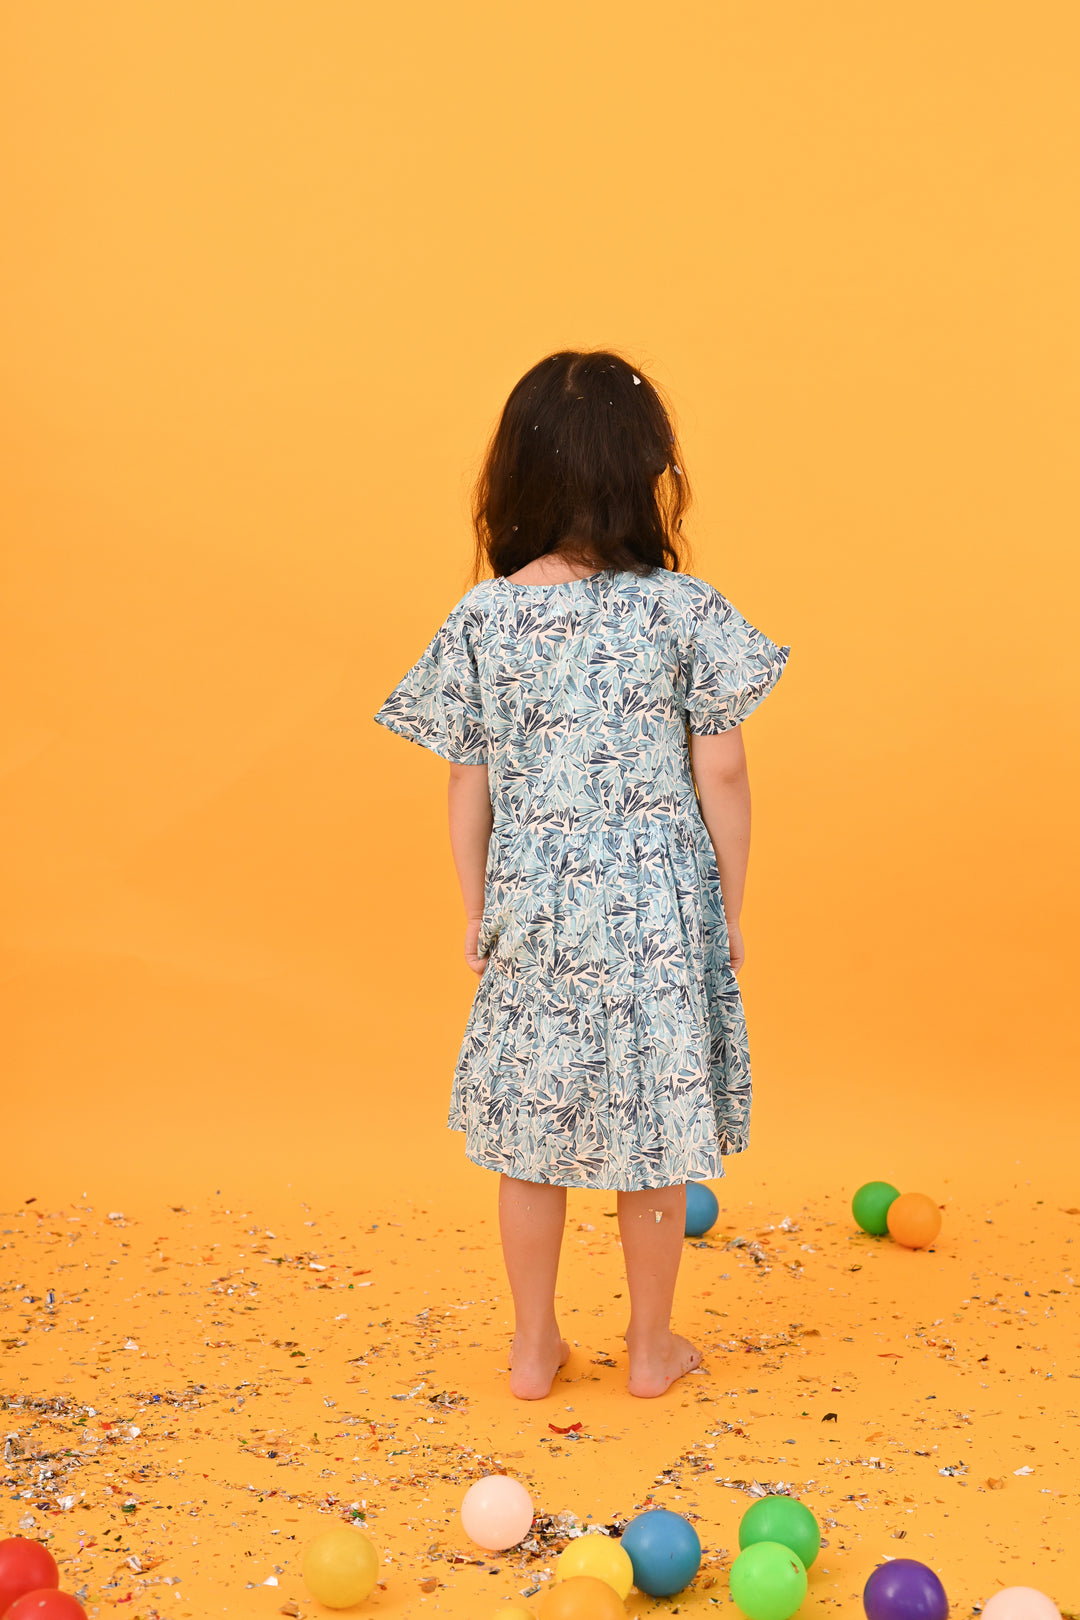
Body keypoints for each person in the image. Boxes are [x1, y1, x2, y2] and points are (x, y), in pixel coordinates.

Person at [374, 349, 791, 1401]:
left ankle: (530, 1348)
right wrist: (728, 903)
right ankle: (650, 1352)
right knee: (654, 1135)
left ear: (515, 474)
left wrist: (477, 908)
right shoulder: (684, 610)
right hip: (656, 905)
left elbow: (467, 784)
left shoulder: (483, 620)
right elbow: (726, 767)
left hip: (537, 904)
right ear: (645, 474)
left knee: (533, 1129)